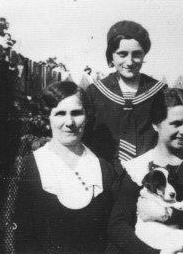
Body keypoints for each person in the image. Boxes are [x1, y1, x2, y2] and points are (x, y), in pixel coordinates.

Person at [10, 81, 123, 253]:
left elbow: (115, 233)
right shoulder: (29, 166)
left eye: (76, 113)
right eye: (60, 113)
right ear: (48, 117)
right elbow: (23, 239)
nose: (69, 122)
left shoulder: (104, 169)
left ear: (87, 116)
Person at [108, 88, 183, 254]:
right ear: (156, 124)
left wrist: (166, 214)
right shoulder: (137, 167)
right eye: (176, 124)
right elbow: (118, 226)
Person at [85, 20, 167, 164]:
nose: (129, 62)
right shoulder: (95, 93)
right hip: (105, 171)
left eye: (136, 54)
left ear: (144, 54)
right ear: (111, 56)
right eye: (122, 54)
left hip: (149, 171)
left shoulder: (159, 92)